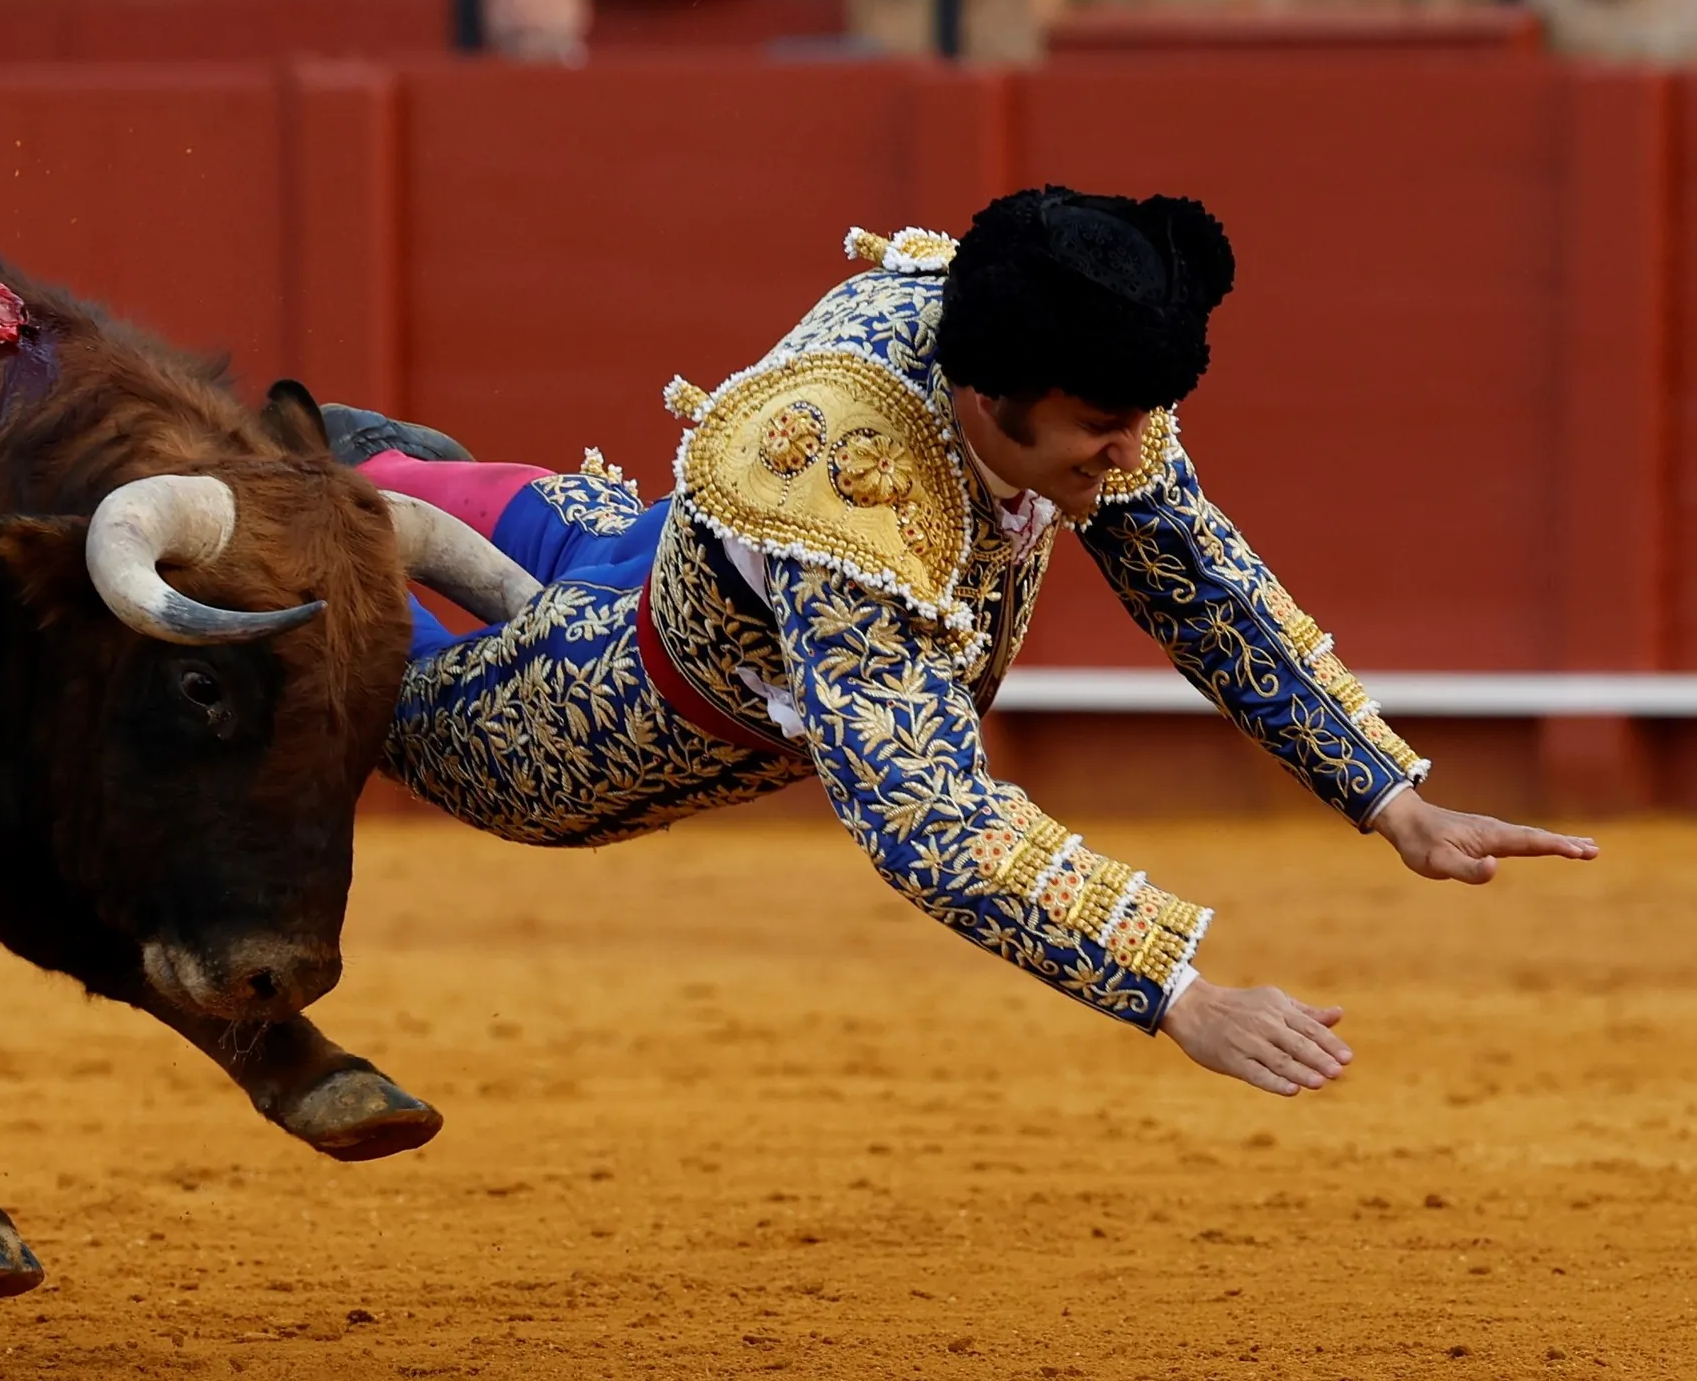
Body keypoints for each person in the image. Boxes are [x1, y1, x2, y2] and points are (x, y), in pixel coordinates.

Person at [327, 187, 1597, 1109]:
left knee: (370, 493)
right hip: (580, 727)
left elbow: (1197, 579)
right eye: (1099, 430)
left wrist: (1389, 797)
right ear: (989, 403)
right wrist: (1178, 989)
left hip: (645, 555)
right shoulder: (854, 489)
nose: (1130, 452)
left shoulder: (1045, 342)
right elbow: (925, 817)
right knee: (289, 632)